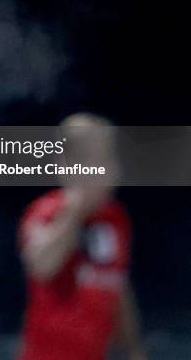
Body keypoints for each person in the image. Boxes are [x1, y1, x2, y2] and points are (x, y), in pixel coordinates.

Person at [17, 113, 147, 360]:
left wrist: (133, 349)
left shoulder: (116, 219)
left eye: (111, 159)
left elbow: (118, 287)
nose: (110, 171)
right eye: (96, 161)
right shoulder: (45, 212)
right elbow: (41, 265)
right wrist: (75, 211)